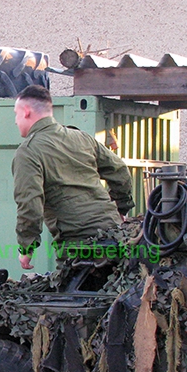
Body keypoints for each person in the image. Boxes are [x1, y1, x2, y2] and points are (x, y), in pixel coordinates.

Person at [12, 84, 134, 270]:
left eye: (16, 114)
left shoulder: (29, 152)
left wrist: (27, 247)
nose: (15, 120)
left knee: (74, 295)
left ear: (26, 111)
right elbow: (119, 170)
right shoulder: (82, 138)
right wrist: (122, 207)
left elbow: (29, 203)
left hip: (78, 244)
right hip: (115, 233)